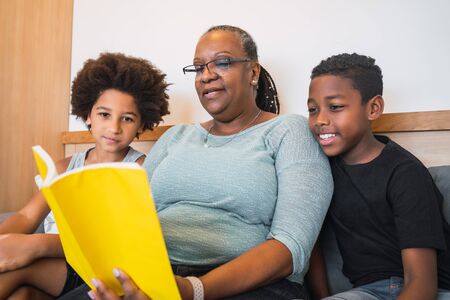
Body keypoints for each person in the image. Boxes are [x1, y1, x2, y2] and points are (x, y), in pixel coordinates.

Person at [83, 25, 333, 300]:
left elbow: (291, 247)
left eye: (222, 62)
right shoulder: (176, 136)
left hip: (250, 287)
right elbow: (131, 217)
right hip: (156, 277)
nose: (207, 76)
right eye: (199, 68)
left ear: (253, 72)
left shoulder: (289, 131)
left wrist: (193, 290)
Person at [0, 52, 170, 299]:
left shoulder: (140, 172)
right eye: (104, 114)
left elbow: (113, 242)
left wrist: (32, 246)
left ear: (142, 125)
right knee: (21, 295)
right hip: (54, 269)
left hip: (92, 270)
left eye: (127, 118)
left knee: (15, 272)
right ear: (88, 115)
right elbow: (27, 215)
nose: (114, 127)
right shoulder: (63, 167)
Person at [306, 53, 450, 299]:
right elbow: (312, 244)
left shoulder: (405, 173)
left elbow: (422, 284)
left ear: (373, 108)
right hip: (366, 292)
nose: (320, 119)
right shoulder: (321, 170)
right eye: (313, 109)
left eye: (336, 107)